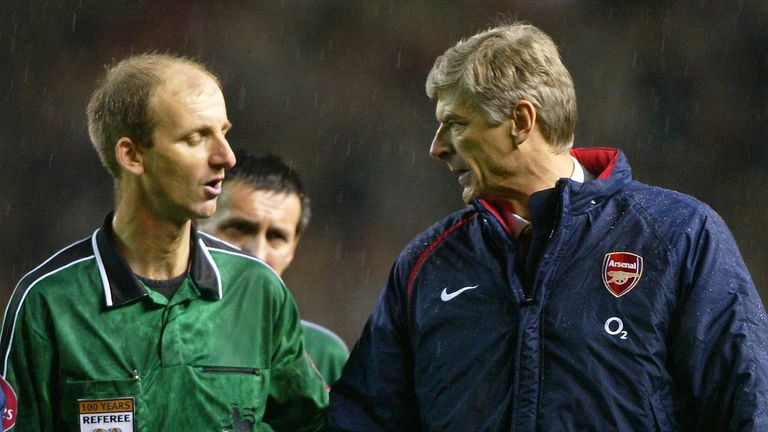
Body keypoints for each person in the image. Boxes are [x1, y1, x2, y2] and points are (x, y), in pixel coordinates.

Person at [329, 22, 768, 431]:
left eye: (456, 124)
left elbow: (748, 406)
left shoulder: (678, 236)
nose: (437, 148)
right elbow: (365, 420)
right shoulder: (428, 263)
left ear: (521, 121)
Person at [0, 53, 327, 431]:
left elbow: (314, 424)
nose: (226, 157)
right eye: (196, 138)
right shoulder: (50, 302)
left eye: (224, 132)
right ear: (132, 155)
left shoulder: (256, 290)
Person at [198, 149, 350, 384]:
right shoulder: (156, 335)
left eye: (276, 237)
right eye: (239, 229)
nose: (258, 254)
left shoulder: (324, 354)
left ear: (293, 248)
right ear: (195, 228)